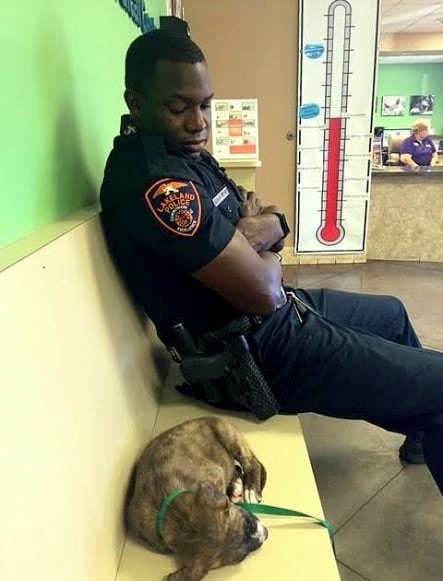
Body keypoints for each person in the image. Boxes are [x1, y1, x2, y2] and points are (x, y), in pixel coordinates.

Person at [100, 29, 443, 494]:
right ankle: (428, 416)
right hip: (254, 355)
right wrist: (260, 243)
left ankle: (424, 432)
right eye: (180, 107)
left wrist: (262, 230)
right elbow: (263, 290)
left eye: (206, 105)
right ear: (136, 103)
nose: (199, 122)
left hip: (275, 317)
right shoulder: (157, 186)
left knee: (391, 313)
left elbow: (265, 216)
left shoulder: (190, 160)